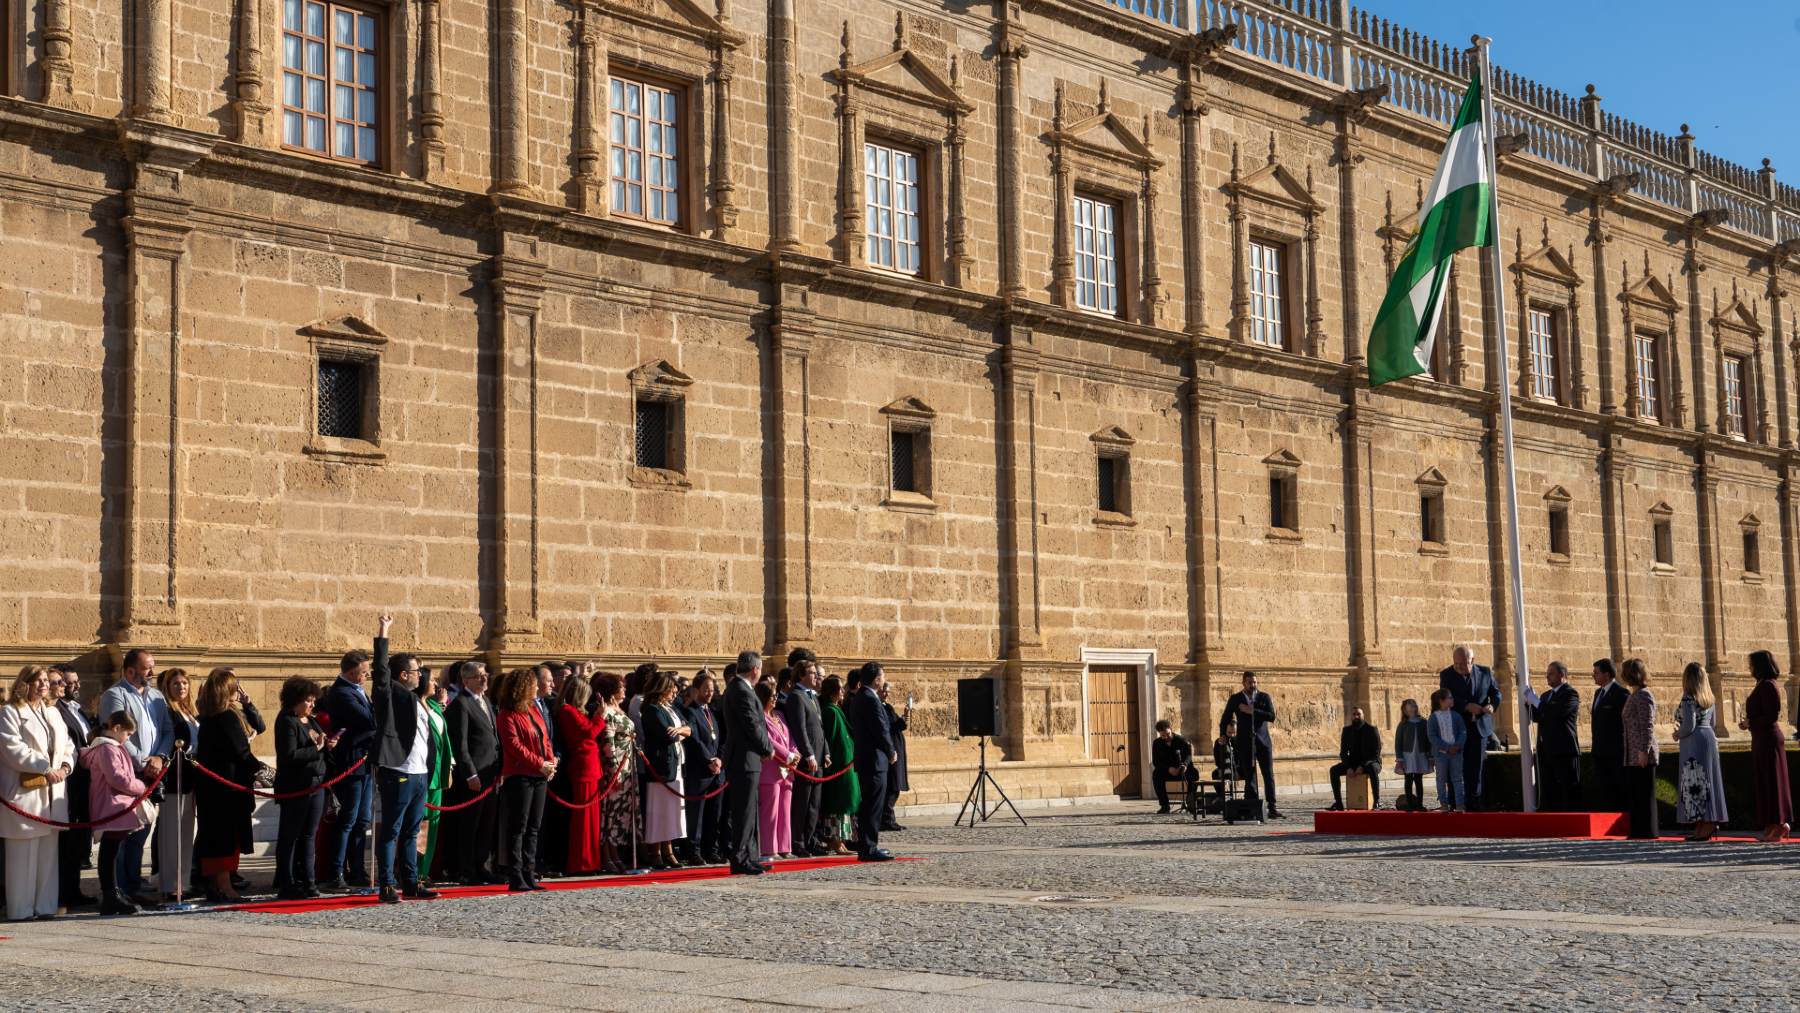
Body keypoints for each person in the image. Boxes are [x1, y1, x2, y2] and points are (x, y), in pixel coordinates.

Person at [366, 615, 438, 904]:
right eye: (415, 670)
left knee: (411, 831)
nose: (420, 674)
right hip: (399, 770)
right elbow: (381, 670)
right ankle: (387, 884)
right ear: (402, 675)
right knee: (392, 830)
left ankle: (411, 881)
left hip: (420, 772)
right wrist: (384, 632)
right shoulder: (389, 693)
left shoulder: (417, 700)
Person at [1, 666, 76, 921]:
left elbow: (67, 745)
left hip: (53, 793)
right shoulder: (11, 712)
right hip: (25, 792)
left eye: (46, 680)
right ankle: (20, 910)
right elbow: (13, 748)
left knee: (48, 855)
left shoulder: (53, 712)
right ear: (25, 683)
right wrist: (45, 768)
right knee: (23, 855)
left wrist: (66, 765)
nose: (44, 684)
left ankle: (44, 907)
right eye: (39, 680)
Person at [97, 649, 168, 903]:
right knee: (122, 833)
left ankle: (133, 883)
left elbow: (167, 731)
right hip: (128, 772)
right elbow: (116, 733)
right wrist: (142, 760)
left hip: (153, 773)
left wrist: (159, 757)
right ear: (130, 671)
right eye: (147, 667)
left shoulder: (157, 696)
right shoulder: (114, 695)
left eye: (152, 666)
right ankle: (119, 889)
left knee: (141, 831)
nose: (152, 672)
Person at [193, 668, 263, 902]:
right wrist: (265, 772)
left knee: (213, 836)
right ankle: (224, 886)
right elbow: (241, 751)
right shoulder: (227, 716)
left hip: (212, 788)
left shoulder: (208, 716)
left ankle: (215, 884)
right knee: (225, 838)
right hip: (227, 788)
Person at [81, 709, 150, 916]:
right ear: (117, 728)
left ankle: (114, 891)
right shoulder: (108, 749)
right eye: (128, 734)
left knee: (112, 850)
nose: (128, 738)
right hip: (111, 804)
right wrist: (141, 787)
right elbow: (118, 779)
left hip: (114, 803)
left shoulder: (110, 747)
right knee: (110, 851)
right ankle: (110, 894)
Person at [320, 646, 376, 891]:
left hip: (364, 760)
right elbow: (369, 720)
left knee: (362, 820)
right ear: (352, 672)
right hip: (351, 761)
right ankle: (336, 872)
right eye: (364, 672)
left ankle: (357, 869)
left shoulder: (358, 690)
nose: (367, 676)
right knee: (349, 818)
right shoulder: (342, 692)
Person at [497, 667, 556, 892]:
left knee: (534, 827)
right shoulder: (507, 713)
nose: (537, 688)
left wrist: (549, 762)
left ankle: (530, 873)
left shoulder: (533, 710)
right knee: (518, 827)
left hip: (539, 774)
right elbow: (514, 746)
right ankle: (516, 874)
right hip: (520, 775)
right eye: (532, 684)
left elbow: (544, 738)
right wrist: (539, 763)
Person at [273, 677, 332, 901]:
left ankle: (308, 880)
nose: (311, 705)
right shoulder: (287, 720)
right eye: (307, 700)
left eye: (313, 700)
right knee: (290, 836)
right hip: (296, 786)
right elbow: (289, 755)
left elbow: (319, 745)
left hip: (316, 784)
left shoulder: (311, 720)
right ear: (295, 700)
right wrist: (316, 748)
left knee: (309, 835)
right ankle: (286, 882)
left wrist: (327, 745)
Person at [443, 661, 500, 885]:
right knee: (470, 824)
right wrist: (470, 774)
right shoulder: (461, 704)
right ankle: (466, 869)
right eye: (478, 676)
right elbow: (461, 744)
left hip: (491, 773)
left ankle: (482, 865)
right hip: (474, 776)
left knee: (487, 823)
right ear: (466, 681)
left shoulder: (485, 700)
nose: (484, 679)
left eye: (485, 674)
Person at [721, 651, 773, 875]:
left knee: (750, 811)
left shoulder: (741, 688)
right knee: (743, 812)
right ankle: (740, 858)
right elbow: (752, 724)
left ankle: (750, 856)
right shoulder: (741, 690)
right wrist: (767, 747)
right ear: (755, 669)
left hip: (748, 758)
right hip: (743, 758)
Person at [153, 668, 199, 901]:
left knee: (186, 831)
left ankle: (184, 882)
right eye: (175, 684)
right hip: (175, 777)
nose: (181, 687)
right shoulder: (168, 712)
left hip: (191, 777)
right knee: (172, 833)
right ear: (167, 687)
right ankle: (170, 884)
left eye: (184, 683)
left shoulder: (190, 711)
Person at [554, 674, 607, 876]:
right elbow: (589, 732)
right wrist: (600, 715)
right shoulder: (567, 711)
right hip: (582, 767)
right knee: (583, 819)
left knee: (591, 819)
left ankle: (591, 861)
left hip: (590, 766)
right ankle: (581, 862)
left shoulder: (576, 711)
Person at [641, 672, 693, 869]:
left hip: (675, 764)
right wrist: (679, 733)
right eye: (671, 688)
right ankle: (655, 851)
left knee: (671, 810)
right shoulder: (652, 710)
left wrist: (679, 731)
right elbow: (666, 735)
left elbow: (689, 729)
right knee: (659, 811)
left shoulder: (670, 709)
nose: (675, 692)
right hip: (660, 766)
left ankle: (668, 849)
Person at [1438, 646, 1500, 811]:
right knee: (1455, 767)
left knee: (1476, 767)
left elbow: (1496, 694)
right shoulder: (1447, 675)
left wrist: (1492, 705)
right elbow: (1444, 698)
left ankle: (1474, 803)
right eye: (1456, 664)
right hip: (1456, 729)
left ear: (1472, 660)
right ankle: (1455, 802)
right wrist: (1465, 706)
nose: (1458, 668)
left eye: (1463, 664)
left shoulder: (1485, 673)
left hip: (1479, 728)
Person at [52, 667, 95, 908]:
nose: (76, 686)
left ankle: (74, 889)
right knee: (67, 843)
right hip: (69, 782)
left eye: (76, 682)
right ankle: (64, 892)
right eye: (70, 683)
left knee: (79, 840)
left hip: (84, 783)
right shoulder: (57, 711)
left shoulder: (78, 710)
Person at [846, 661, 895, 862]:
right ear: (876, 679)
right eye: (882, 677)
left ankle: (867, 845)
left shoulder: (860, 697)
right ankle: (869, 847)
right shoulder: (870, 699)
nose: (883, 680)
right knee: (873, 805)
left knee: (869, 805)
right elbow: (880, 728)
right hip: (874, 760)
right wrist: (890, 750)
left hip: (867, 759)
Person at [1741, 650, 1792, 842]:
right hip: (1761, 739)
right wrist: (1749, 723)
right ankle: (1772, 825)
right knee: (1765, 782)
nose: (1750, 668)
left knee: (1773, 782)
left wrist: (1750, 723)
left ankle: (1780, 824)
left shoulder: (1769, 685)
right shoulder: (1762, 684)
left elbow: (1771, 715)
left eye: (1752, 664)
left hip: (1769, 740)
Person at [1672, 662, 1726, 842]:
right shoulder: (1710, 697)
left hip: (1693, 740)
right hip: (1708, 738)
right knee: (1709, 780)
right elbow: (1712, 723)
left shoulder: (1688, 697)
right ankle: (1706, 822)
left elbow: (1689, 725)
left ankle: (1704, 822)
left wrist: (1677, 734)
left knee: (1694, 780)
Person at [779, 652, 826, 856]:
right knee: (802, 803)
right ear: (801, 675)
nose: (816, 676)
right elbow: (800, 729)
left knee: (814, 804)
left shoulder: (812, 697)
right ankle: (798, 841)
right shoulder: (797, 697)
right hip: (808, 759)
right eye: (812, 673)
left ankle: (810, 839)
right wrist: (809, 755)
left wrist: (826, 752)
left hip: (819, 756)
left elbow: (819, 728)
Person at [1220, 671, 1279, 819]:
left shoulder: (1264, 697)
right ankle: (1253, 807)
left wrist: (1252, 711)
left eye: (1255, 682)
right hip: (1245, 743)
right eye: (1249, 683)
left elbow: (1271, 716)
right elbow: (1225, 717)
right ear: (1243, 683)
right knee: (1250, 775)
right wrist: (1223, 735)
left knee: (1268, 774)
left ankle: (1272, 807)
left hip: (1263, 742)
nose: (1253, 685)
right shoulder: (1235, 699)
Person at [679, 671, 724, 865]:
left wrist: (719, 759)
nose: (709, 693)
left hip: (716, 771)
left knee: (714, 813)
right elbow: (694, 740)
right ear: (696, 690)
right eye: (706, 689)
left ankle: (711, 848)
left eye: (712, 690)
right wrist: (709, 759)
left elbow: (720, 738)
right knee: (696, 815)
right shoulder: (691, 711)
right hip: (700, 770)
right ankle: (693, 850)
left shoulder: (711, 712)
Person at [1525, 661, 1582, 812]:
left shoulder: (1570, 694)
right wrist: (1528, 703)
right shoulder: (1546, 696)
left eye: (1551, 673)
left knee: (1567, 790)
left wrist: (1536, 702)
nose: (1547, 677)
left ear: (1562, 675)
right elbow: (1538, 715)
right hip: (1546, 751)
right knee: (1550, 790)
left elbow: (1556, 713)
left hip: (1564, 751)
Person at [597, 672, 638, 874]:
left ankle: (616, 853)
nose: (624, 690)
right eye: (621, 687)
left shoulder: (619, 709)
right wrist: (615, 772)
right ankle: (607, 854)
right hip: (615, 769)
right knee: (610, 814)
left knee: (621, 814)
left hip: (628, 766)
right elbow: (608, 742)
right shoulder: (608, 712)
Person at [756, 681, 801, 862]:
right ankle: (769, 848)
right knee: (771, 811)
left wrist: (795, 753)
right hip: (770, 769)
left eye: (775, 695)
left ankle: (784, 846)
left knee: (785, 809)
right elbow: (768, 741)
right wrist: (788, 755)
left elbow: (790, 738)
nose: (775, 698)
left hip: (786, 770)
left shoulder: (780, 715)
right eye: (771, 695)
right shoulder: (760, 718)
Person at [416, 669, 452, 886]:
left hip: (438, 772)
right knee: (421, 824)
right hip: (423, 771)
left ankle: (424, 870)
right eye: (432, 680)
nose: (436, 684)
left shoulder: (435, 706)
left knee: (433, 824)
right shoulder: (415, 706)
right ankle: (415, 871)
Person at [817, 675, 859, 856]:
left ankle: (842, 840)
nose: (843, 691)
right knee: (837, 805)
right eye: (840, 688)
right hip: (838, 767)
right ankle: (835, 840)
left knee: (845, 804)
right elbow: (832, 740)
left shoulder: (836, 709)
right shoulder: (830, 712)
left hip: (847, 765)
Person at [1618, 658, 1658, 840]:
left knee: (1644, 793)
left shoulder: (1643, 695)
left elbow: (1647, 725)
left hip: (1641, 753)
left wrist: (1643, 750)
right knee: (1635, 793)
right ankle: (1637, 830)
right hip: (1632, 752)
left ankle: (1647, 830)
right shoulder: (1634, 694)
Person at [1588, 658, 1629, 813]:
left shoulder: (1621, 693)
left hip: (1615, 752)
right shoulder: (1598, 693)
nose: (1594, 676)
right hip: (1599, 751)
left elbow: (1625, 722)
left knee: (1618, 789)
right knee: (1604, 790)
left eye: (1596, 673)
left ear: (1606, 674)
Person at [1328, 707, 1382, 810]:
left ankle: (1377, 801)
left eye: (1358, 714)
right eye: (1354, 714)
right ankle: (1338, 803)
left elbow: (1376, 753)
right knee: (1334, 770)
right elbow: (1343, 752)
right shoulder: (1346, 730)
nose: (1356, 716)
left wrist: (1362, 766)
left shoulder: (1372, 730)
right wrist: (1348, 767)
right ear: (1351, 716)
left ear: (1363, 715)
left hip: (1371, 762)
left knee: (1372, 769)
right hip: (1353, 763)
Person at [1427, 688, 1466, 812]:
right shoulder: (1433, 717)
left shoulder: (1456, 716)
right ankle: (1444, 804)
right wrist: (1447, 748)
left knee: (1457, 779)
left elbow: (1462, 732)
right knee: (1441, 779)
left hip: (1456, 753)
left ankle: (1460, 804)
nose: (1452, 700)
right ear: (1441, 701)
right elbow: (1432, 736)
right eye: (1449, 698)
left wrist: (1458, 745)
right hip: (1441, 754)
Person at [879, 680, 910, 833]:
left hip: (896, 749)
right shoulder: (877, 707)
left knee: (895, 786)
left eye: (888, 691)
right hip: (890, 751)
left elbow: (896, 724)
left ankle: (889, 818)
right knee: (892, 786)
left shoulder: (887, 707)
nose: (886, 693)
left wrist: (904, 718)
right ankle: (886, 819)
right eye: (884, 690)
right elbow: (886, 728)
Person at [1149, 720, 1197, 814]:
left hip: (1182, 769)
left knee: (1194, 773)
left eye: (1168, 734)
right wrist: (1168, 768)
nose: (1166, 737)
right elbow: (1156, 762)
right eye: (1163, 735)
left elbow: (1188, 755)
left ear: (1171, 729)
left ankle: (1190, 802)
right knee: (1156, 774)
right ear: (1159, 734)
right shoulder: (1157, 743)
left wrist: (1185, 765)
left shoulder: (1181, 740)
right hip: (1168, 771)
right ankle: (1164, 805)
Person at [1392, 699, 1429, 810]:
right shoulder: (1403, 724)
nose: (1412, 708)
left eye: (1413, 706)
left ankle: (1419, 804)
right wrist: (1400, 758)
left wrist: (1430, 755)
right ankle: (1409, 803)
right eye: (1409, 706)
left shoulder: (1423, 722)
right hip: (1407, 756)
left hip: (1420, 754)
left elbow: (1428, 740)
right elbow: (1398, 742)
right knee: (1408, 779)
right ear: (1405, 709)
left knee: (1418, 779)